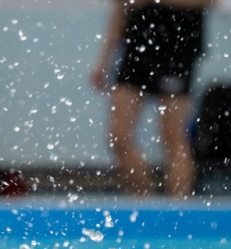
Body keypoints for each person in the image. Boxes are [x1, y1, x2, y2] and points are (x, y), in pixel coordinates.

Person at [91, 0, 216, 197]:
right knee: (118, 136)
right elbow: (120, 10)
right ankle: (143, 203)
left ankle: (178, 209)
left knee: (173, 137)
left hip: (177, 47)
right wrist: (104, 59)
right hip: (136, 48)